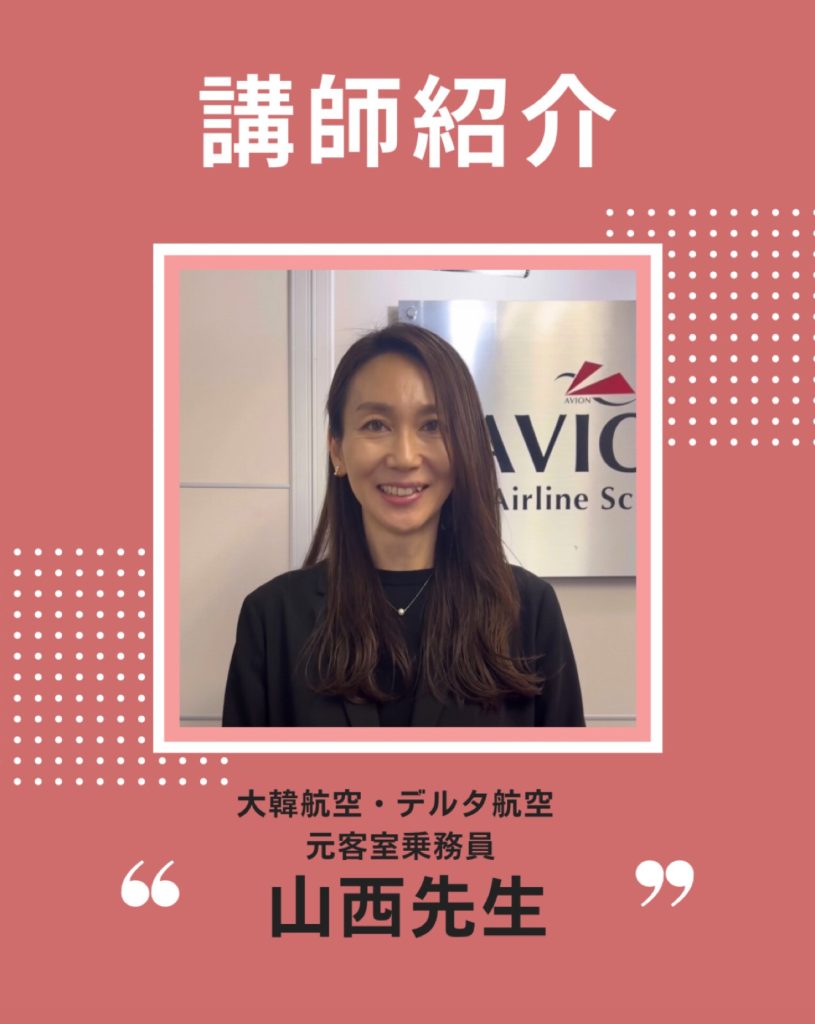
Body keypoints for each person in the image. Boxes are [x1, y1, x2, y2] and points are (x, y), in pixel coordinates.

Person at [222, 323, 584, 727]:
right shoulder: (272, 618)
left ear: (465, 445)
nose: (405, 457)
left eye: (433, 426)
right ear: (337, 450)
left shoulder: (529, 611)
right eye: (376, 424)